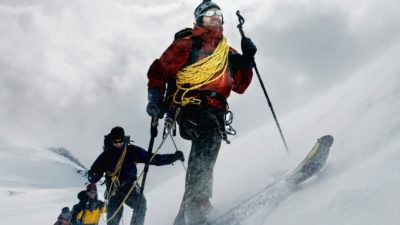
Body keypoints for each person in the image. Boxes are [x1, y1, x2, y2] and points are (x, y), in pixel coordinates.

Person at [146, 0, 257, 224]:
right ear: (199, 20)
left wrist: (247, 60)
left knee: (201, 154)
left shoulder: (227, 52)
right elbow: (160, 71)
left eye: (218, 15)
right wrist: (155, 98)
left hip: (216, 111)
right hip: (189, 106)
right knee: (208, 135)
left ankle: (183, 216)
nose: (215, 18)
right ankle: (197, 205)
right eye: (209, 15)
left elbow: (240, 86)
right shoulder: (187, 45)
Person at [87, 126, 185, 225]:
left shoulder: (132, 151)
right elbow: (94, 172)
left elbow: (153, 158)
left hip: (129, 187)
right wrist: (93, 176)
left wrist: (173, 157)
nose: (118, 144)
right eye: (115, 142)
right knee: (112, 221)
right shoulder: (106, 156)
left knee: (140, 205)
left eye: (120, 141)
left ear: (124, 139)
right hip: (113, 192)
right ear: (111, 141)